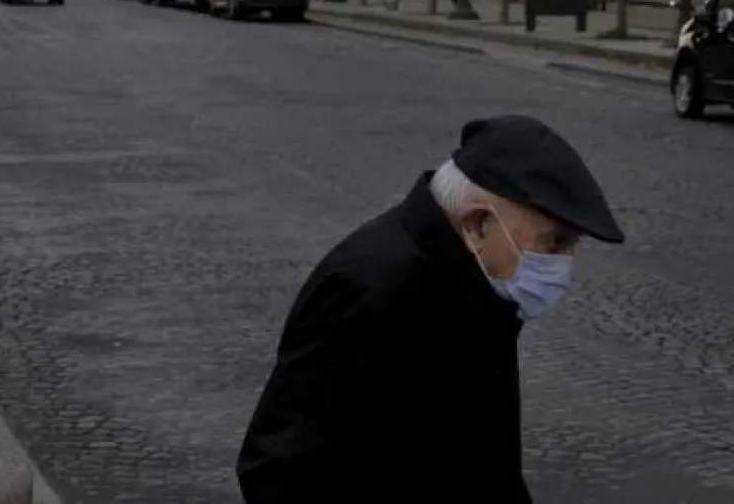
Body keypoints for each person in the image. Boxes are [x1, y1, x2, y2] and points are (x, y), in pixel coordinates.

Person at [236, 115, 624, 504]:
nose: (563, 264)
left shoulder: (478, 287)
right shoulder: (370, 289)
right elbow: (281, 471)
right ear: (478, 223)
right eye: (554, 243)